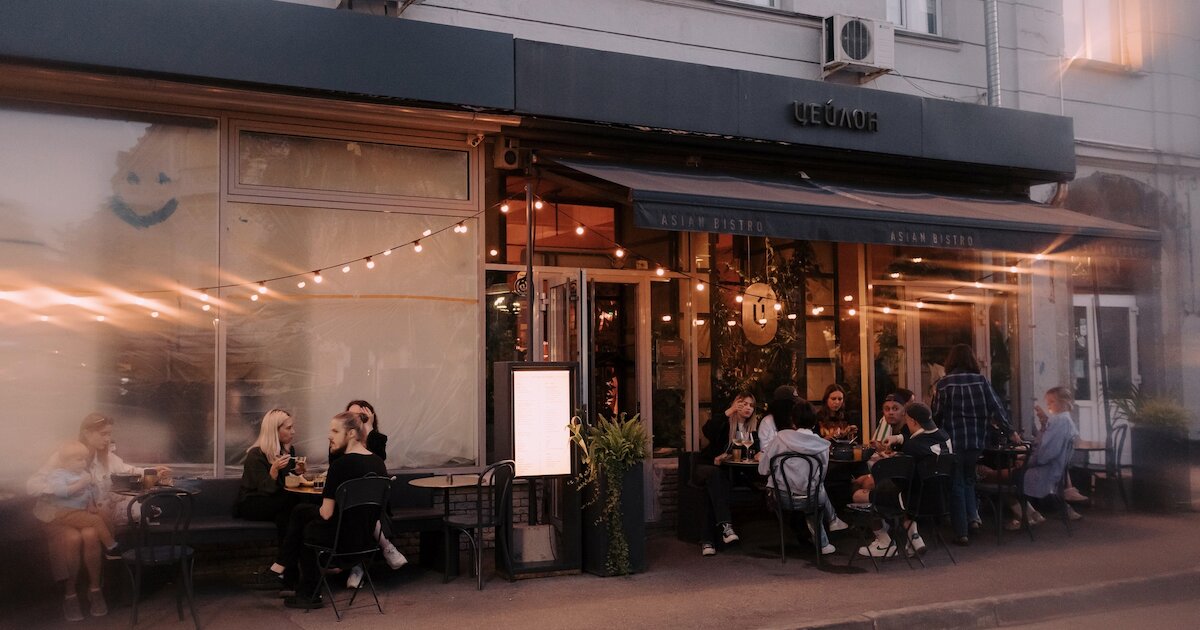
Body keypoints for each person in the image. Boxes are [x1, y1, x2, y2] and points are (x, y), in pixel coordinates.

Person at [27, 412, 169, 621]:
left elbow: (128, 469)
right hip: (57, 513)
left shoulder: (106, 457)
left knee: (91, 535)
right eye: (103, 434)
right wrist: (64, 490)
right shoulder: (65, 455)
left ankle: (95, 590)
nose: (108, 439)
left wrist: (153, 471)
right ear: (87, 432)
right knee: (73, 539)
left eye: (109, 434)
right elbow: (32, 485)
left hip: (86, 511)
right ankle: (70, 595)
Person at [257, 411, 388, 609]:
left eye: (335, 431)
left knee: (305, 525)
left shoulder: (340, 466)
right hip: (366, 540)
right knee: (301, 512)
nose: (329, 436)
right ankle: (286, 572)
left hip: (341, 542)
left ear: (351, 433)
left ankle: (303, 587)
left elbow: (326, 513)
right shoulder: (378, 463)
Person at [930, 344, 1018, 545]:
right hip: (977, 440)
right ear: (971, 360)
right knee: (969, 478)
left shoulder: (944, 384)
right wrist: (1010, 432)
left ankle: (961, 532)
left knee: (956, 483)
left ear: (950, 361)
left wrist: (933, 435)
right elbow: (997, 408)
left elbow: (936, 414)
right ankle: (973, 519)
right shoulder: (981, 381)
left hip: (953, 441)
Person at [858, 402, 953, 558]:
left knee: (862, 494)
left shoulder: (913, 446)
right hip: (941, 499)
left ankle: (884, 542)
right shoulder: (944, 436)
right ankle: (913, 536)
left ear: (913, 421)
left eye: (907, 420)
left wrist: (887, 462)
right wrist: (899, 438)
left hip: (915, 502)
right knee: (900, 494)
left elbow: (899, 481)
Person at [978, 387, 1081, 529]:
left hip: (1041, 473)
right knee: (1001, 477)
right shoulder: (1065, 421)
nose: (1049, 406)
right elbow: (1044, 448)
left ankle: (1025, 516)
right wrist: (1044, 425)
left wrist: (1026, 462)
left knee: (990, 477)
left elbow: (1045, 455)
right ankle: (1032, 515)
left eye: (1051, 402)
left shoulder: (1059, 422)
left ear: (1063, 402)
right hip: (1052, 472)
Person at [758, 398, 838, 556]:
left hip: (782, 498)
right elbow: (822, 477)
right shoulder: (822, 445)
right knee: (815, 494)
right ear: (814, 423)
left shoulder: (780, 439)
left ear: (793, 421)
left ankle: (818, 539)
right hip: (811, 498)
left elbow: (763, 470)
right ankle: (823, 541)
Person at [693, 391, 755, 556]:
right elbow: (707, 430)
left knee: (712, 489)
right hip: (706, 466)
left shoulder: (751, 431)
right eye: (744, 404)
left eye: (751, 405)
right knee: (714, 476)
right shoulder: (725, 423)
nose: (748, 408)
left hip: (724, 473)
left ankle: (707, 541)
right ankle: (726, 527)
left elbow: (749, 453)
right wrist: (730, 411)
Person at [236, 409, 306, 541]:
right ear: (274, 430)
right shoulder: (255, 454)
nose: (293, 432)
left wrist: (297, 473)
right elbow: (265, 490)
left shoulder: (288, 450)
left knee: (288, 513)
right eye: (288, 428)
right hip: (253, 501)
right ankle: (291, 552)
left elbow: (286, 484)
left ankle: (288, 552)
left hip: (277, 500)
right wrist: (274, 471)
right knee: (292, 502)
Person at [757, 385, 800, 452]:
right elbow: (764, 449)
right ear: (783, 405)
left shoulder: (797, 420)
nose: (796, 407)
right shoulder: (768, 421)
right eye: (793, 404)